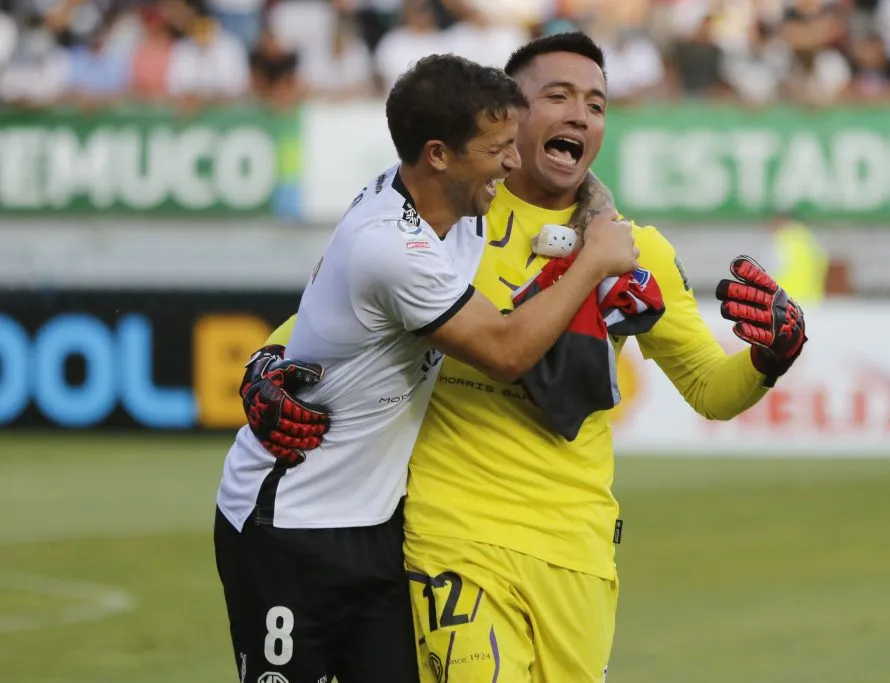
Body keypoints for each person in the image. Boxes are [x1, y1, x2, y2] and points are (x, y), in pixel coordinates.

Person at [241, 33, 808, 682]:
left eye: (596, 104)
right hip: (455, 537)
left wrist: (771, 354)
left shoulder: (631, 248)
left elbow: (710, 387)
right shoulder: (453, 216)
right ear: (509, 116)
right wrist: (266, 359)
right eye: (557, 96)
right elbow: (337, 304)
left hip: (578, 551)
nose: (579, 115)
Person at [213, 53, 639, 683]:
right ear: (439, 154)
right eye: (497, 149)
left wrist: (269, 355)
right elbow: (504, 351)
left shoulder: (442, 199)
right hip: (290, 521)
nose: (512, 162)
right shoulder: (394, 247)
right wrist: (594, 261)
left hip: (379, 527)